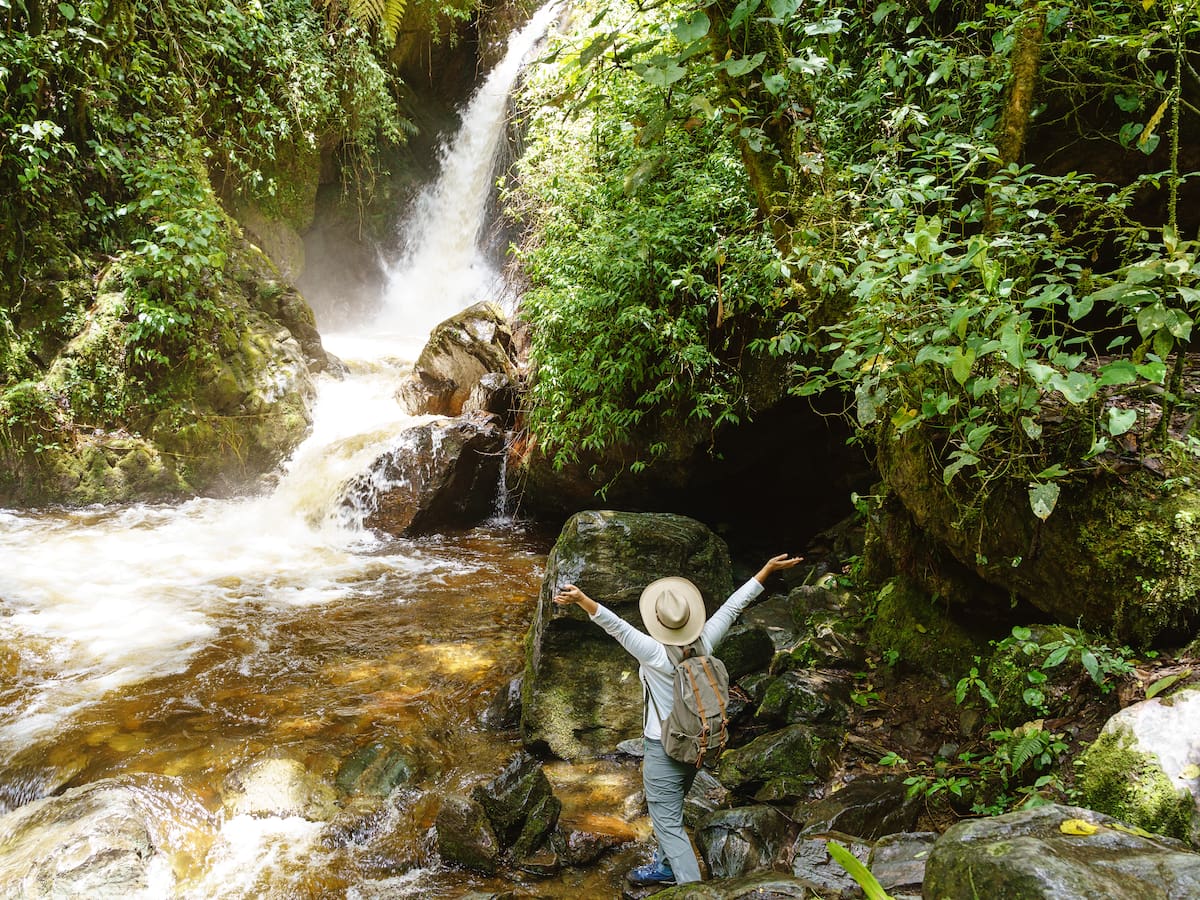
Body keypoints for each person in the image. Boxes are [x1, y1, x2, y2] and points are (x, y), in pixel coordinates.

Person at [553, 552, 803, 886]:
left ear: (658, 621)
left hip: (664, 748)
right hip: (699, 744)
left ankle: (690, 890)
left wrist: (583, 599)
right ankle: (665, 867)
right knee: (672, 810)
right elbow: (732, 607)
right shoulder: (706, 641)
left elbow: (616, 626)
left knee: (668, 825)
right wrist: (765, 571)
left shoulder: (655, 654)